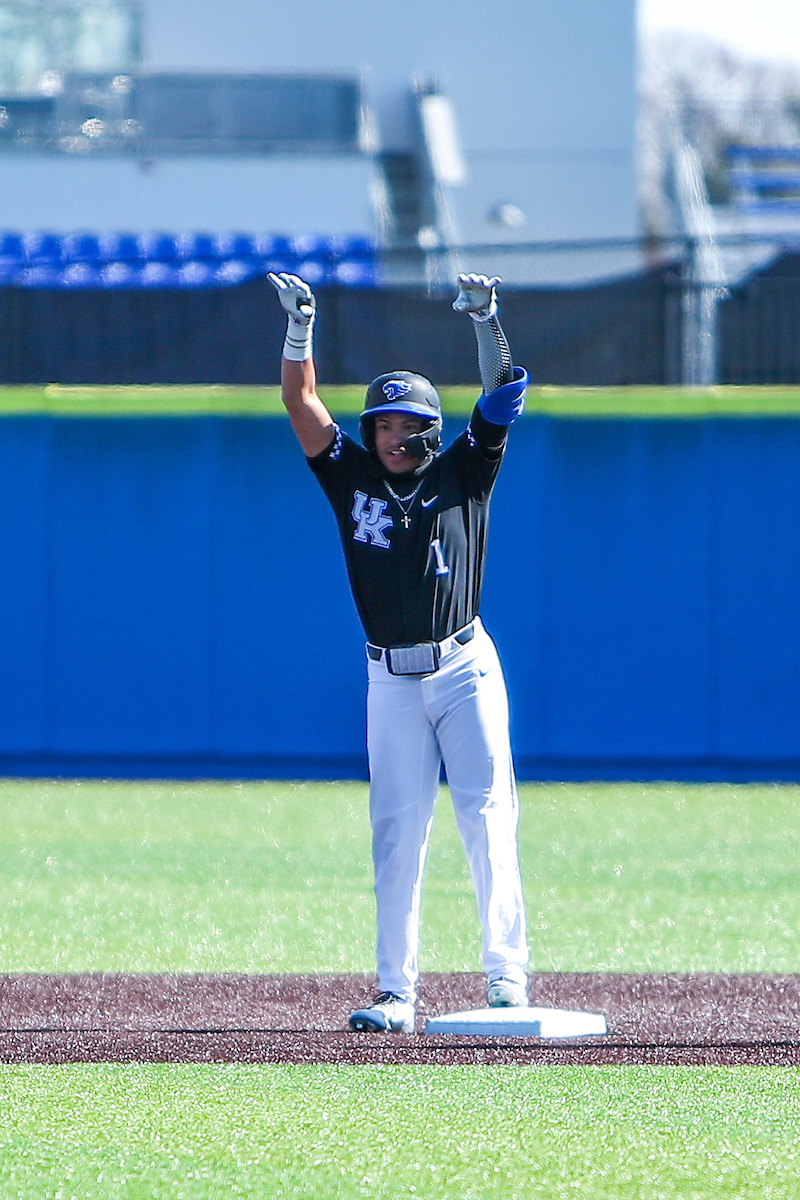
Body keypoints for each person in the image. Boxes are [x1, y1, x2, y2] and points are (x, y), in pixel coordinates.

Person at [269, 269, 529, 1033]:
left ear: (427, 429)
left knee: (486, 814)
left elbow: (503, 393)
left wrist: (485, 320)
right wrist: (300, 330)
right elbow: (301, 403)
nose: (387, 436)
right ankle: (396, 992)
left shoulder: (464, 469)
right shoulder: (350, 477)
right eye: (379, 424)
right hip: (389, 675)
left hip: (464, 667)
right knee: (396, 830)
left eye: (400, 424)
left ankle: (506, 974)